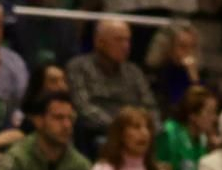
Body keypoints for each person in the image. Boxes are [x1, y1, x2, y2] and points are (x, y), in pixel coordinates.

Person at [65, 17, 156, 149]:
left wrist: (149, 128)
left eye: (127, 40)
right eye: (119, 40)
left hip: (136, 132)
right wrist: (121, 129)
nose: (126, 46)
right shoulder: (78, 67)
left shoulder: (134, 71)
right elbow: (83, 108)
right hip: (99, 133)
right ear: (99, 42)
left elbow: (150, 106)